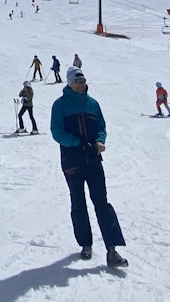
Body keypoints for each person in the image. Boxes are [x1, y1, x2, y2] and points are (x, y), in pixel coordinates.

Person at [50, 67, 128, 268]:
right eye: (77, 81)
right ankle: (85, 243)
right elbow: (56, 132)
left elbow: (101, 127)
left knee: (102, 202)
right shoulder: (60, 105)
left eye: (83, 81)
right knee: (78, 202)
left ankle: (112, 249)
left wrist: (100, 141)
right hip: (72, 161)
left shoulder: (92, 104)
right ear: (69, 83)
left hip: (93, 159)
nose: (80, 84)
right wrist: (77, 142)